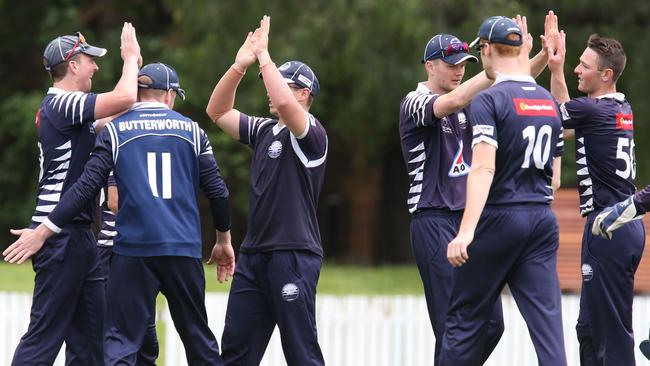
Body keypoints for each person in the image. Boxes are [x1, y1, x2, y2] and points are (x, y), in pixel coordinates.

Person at [4, 62, 235, 366]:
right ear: (168, 95)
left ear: (139, 94)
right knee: (198, 340)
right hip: (182, 247)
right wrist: (223, 238)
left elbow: (85, 188)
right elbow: (218, 191)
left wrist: (45, 228)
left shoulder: (115, 130)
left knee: (121, 343)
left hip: (133, 251)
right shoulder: (193, 131)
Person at [399, 14, 556, 365]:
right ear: (429, 65)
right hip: (433, 220)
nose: (459, 70)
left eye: (464, 63)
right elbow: (453, 101)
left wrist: (541, 55)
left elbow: (512, 84)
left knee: (491, 325)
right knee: (452, 325)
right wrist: (496, 64)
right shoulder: (415, 101)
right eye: (451, 64)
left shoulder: (473, 100)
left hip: (468, 223)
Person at [1, 24, 140, 365]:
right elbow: (125, 98)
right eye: (89, 60)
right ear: (73, 65)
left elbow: (121, 111)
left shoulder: (70, 110)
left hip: (78, 238)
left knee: (90, 340)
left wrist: (146, 95)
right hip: (59, 235)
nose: (95, 66)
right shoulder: (64, 104)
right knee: (43, 339)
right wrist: (131, 60)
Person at [441, 16, 566, 366]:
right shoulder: (547, 102)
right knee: (548, 330)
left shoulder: (489, 100)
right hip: (542, 219)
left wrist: (466, 231)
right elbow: (554, 180)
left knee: (464, 322)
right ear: (521, 48)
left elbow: (483, 166)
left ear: (487, 49)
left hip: (499, 219)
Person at [206, 15, 327, 365]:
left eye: (284, 85)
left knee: (301, 352)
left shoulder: (311, 132)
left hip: (293, 254)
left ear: (304, 93)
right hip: (254, 255)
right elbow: (217, 110)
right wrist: (240, 66)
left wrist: (265, 57)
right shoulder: (263, 130)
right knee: (235, 352)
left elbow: (289, 108)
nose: (271, 91)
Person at [547, 26, 644, 365]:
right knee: (589, 328)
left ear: (606, 74)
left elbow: (552, 118)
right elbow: (570, 118)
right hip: (619, 226)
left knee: (611, 334)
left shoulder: (593, 110)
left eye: (584, 66)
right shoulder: (618, 107)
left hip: (610, 226)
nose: (577, 69)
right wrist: (556, 70)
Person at [95, 173, 159, 365]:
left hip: (123, 246)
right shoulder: (117, 151)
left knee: (133, 325)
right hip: (117, 245)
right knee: (135, 323)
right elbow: (115, 203)